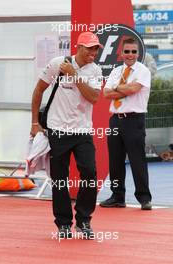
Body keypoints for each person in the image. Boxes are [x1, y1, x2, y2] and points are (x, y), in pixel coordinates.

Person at [30, 31, 103, 239]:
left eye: (96, 48)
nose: (93, 52)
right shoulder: (57, 63)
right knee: (59, 179)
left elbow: (94, 98)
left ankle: (83, 220)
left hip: (82, 131)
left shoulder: (96, 70)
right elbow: (38, 90)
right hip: (57, 130)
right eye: (89, 48)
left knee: (89, 173)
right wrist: (35, 123)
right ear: (78, 48)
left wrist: (74, 75)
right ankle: (63, 223)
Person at [100, 37, 152, 210]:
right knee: (115, 161)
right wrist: (124, 88)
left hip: (134, 120)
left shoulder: (143, 71)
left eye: (133, 51)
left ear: (138, 53)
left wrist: (119, 88)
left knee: (138, 160)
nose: (130, 55)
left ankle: (144, 198)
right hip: (115, 120)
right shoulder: (115, 71)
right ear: (121, 53)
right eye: (127, 51)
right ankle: (117, 196)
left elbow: (133, 90)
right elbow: (106, 94)